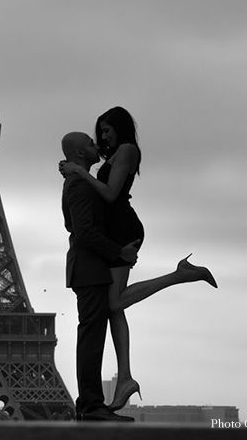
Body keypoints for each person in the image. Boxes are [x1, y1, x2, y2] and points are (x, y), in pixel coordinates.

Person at [61, 107, 217, 410]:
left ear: (120, 127)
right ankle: (126, 378)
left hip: (122, 231)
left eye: (106, 130)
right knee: (112, 306)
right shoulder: (111, 156)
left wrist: (80, 171)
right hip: (111, 233)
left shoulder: (129, 150)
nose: (102, 137)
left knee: (115, 303)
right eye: (99, 133)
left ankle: (180, 275)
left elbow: (109, 195)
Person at [62, 131, 141, 422]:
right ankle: (91, 405)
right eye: (91, 144)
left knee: (91, 337)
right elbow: (84, 231)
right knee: (92, 339)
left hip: (85, 267)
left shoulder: (75, 182)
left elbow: (70, 224)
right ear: (80, 153)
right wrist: (119, 252)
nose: (98, 145)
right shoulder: (82, 186)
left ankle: (91, 404)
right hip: (90, 269)